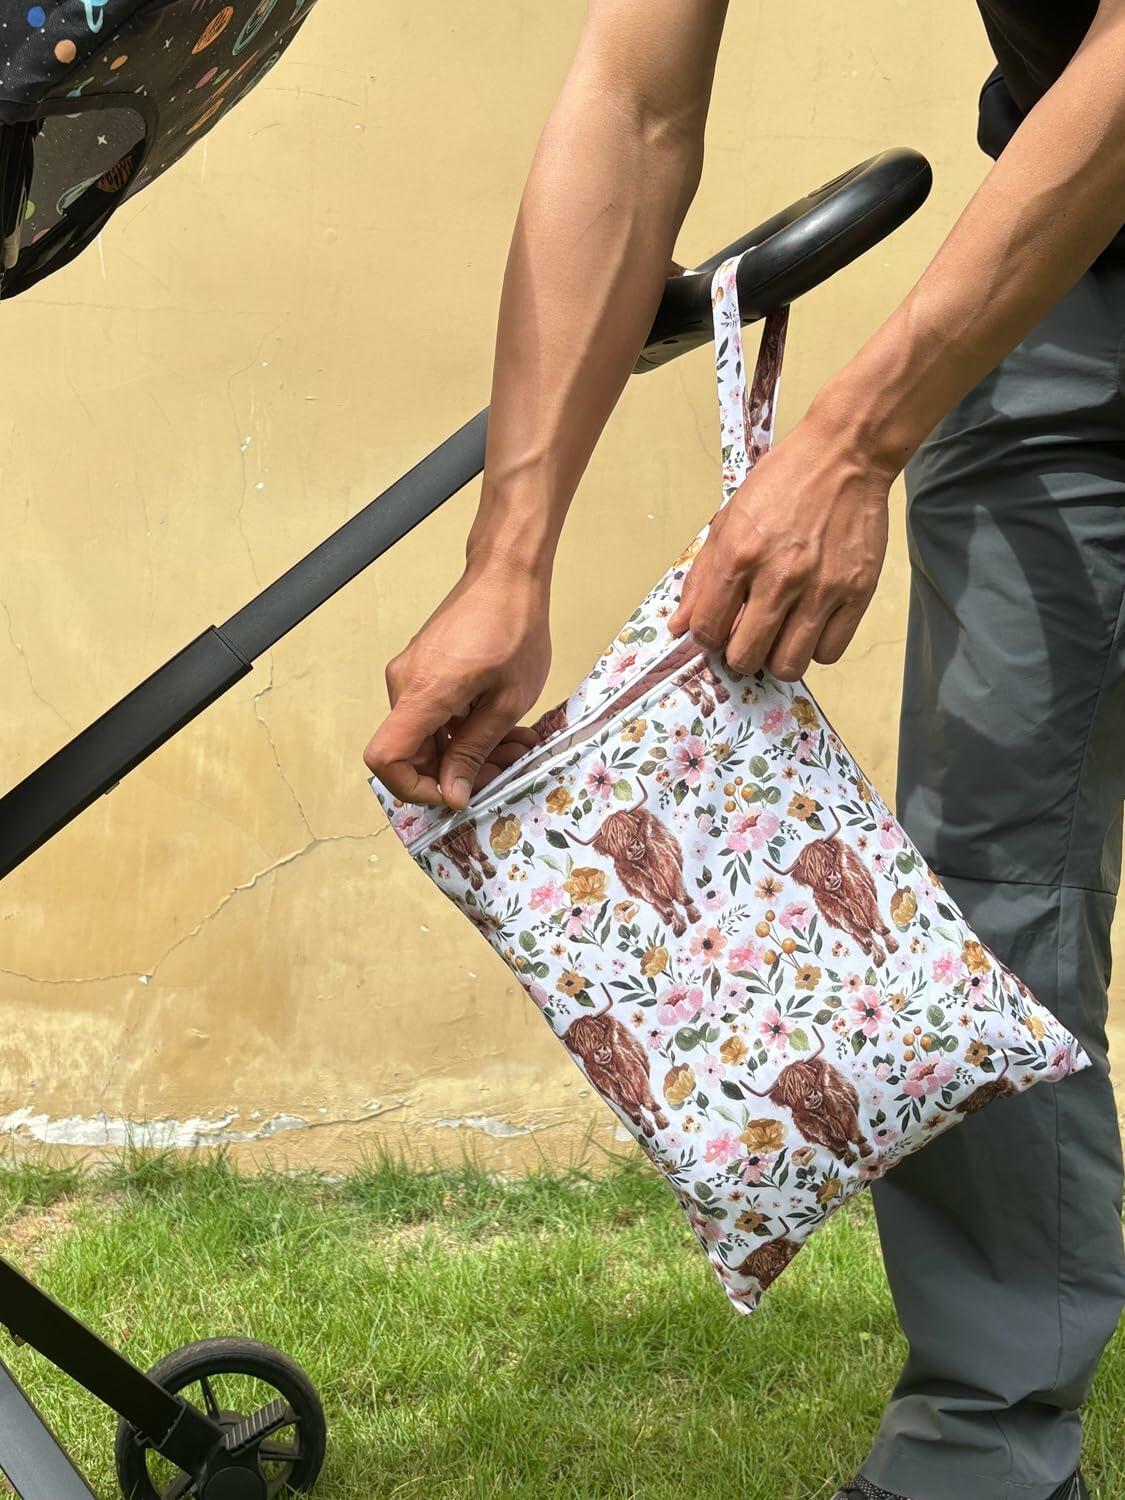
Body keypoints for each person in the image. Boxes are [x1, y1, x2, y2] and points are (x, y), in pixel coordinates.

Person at [364, 4, 1125, 1496]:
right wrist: (508, 562)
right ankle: (981, 1454)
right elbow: (634, 95)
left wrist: (849, 441)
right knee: (973, 901)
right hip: (1071, 281)